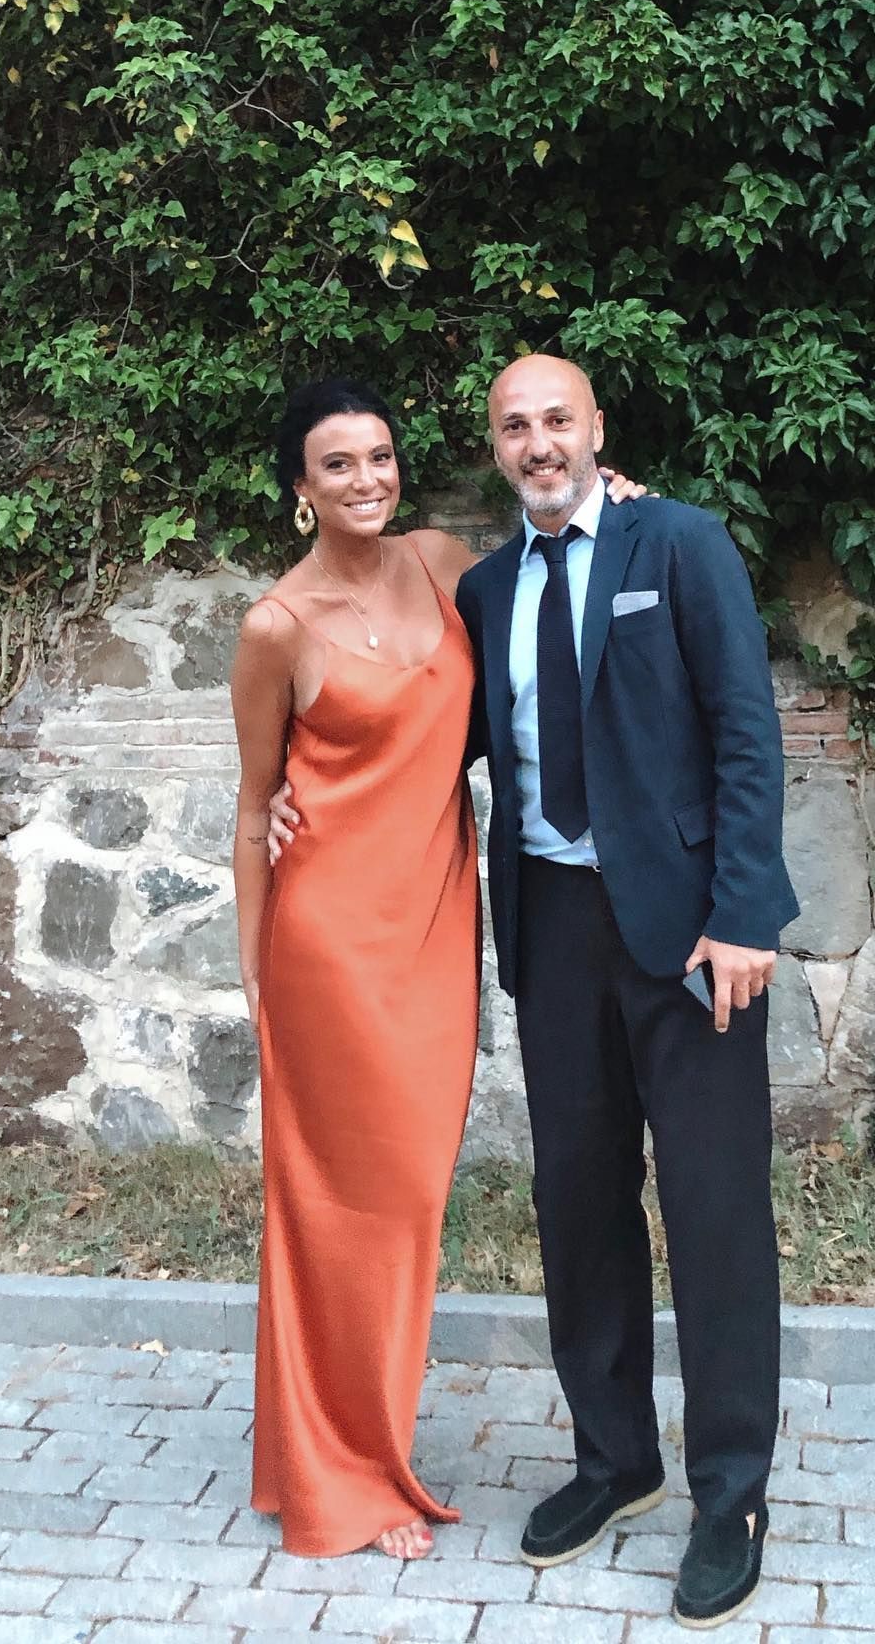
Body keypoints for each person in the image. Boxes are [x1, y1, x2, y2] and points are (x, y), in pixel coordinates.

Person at [232, 374, 646, 1562]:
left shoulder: (444, 564)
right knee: (343, 1206)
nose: (366, 479)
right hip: (327, 948)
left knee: (410, 1197)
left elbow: (552, 590)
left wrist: (616, 502)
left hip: (434, 930)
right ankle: (348, 1477)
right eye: (338, 465)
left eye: (380, 457)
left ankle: (330, 1442)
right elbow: (253, 807)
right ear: (300, 489)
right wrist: (256, 983)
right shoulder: (276, 627)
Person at [453, 355, 798, 1630]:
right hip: (554, 929)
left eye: (558, 419)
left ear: (597, 428)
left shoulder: (680, 542)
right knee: (578, 1204)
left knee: (715, 1212)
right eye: (516, 426)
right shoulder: (485, 589)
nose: (539, 442)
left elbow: (747, 729)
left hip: (692, 936)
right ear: (496, 446)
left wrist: (745, 913)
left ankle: (731, 1493)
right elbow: (427, 733)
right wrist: (289, 795)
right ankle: (615, 1459)